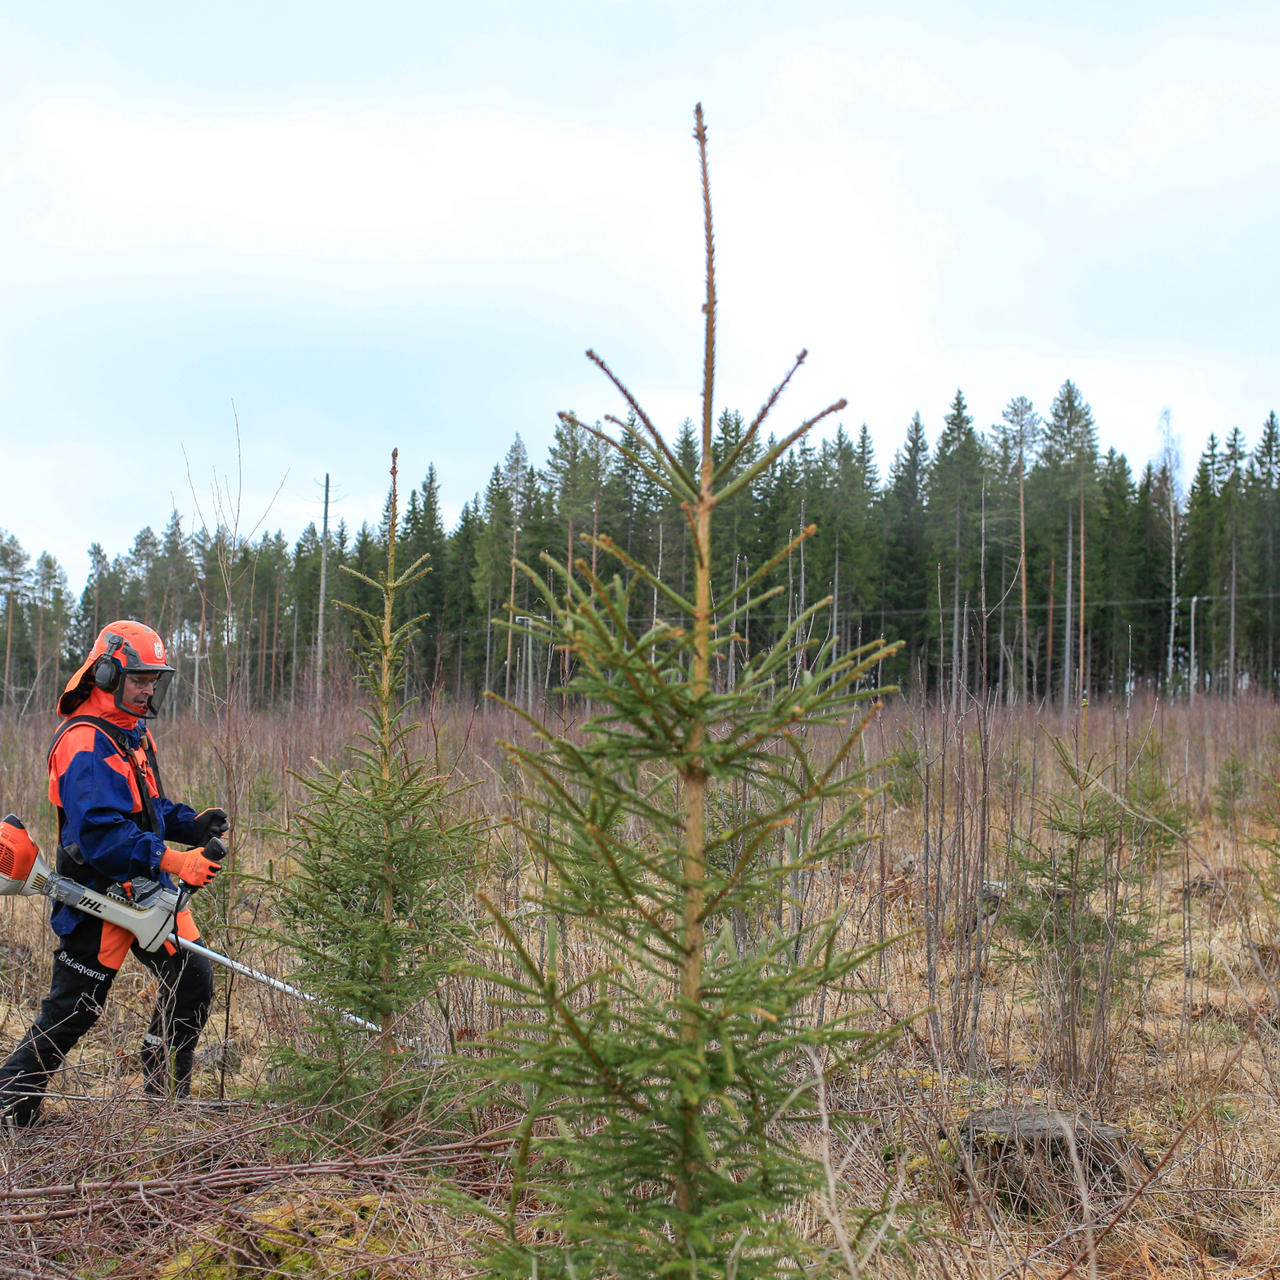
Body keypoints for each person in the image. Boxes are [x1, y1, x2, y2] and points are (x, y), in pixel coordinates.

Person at [0, 620, 227, 1127]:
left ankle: (164, 1092)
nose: (149, 689)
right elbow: (99, 836)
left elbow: (144, 810)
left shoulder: (131, 732)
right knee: (74, 1010)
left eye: (155, 679)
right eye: (140, 678)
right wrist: (175, 860)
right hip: (95, 897)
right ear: (107, 673)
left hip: (146, 891)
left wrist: (189, 825)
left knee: (192, 976)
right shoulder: (84, 743)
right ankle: (11, 1102)